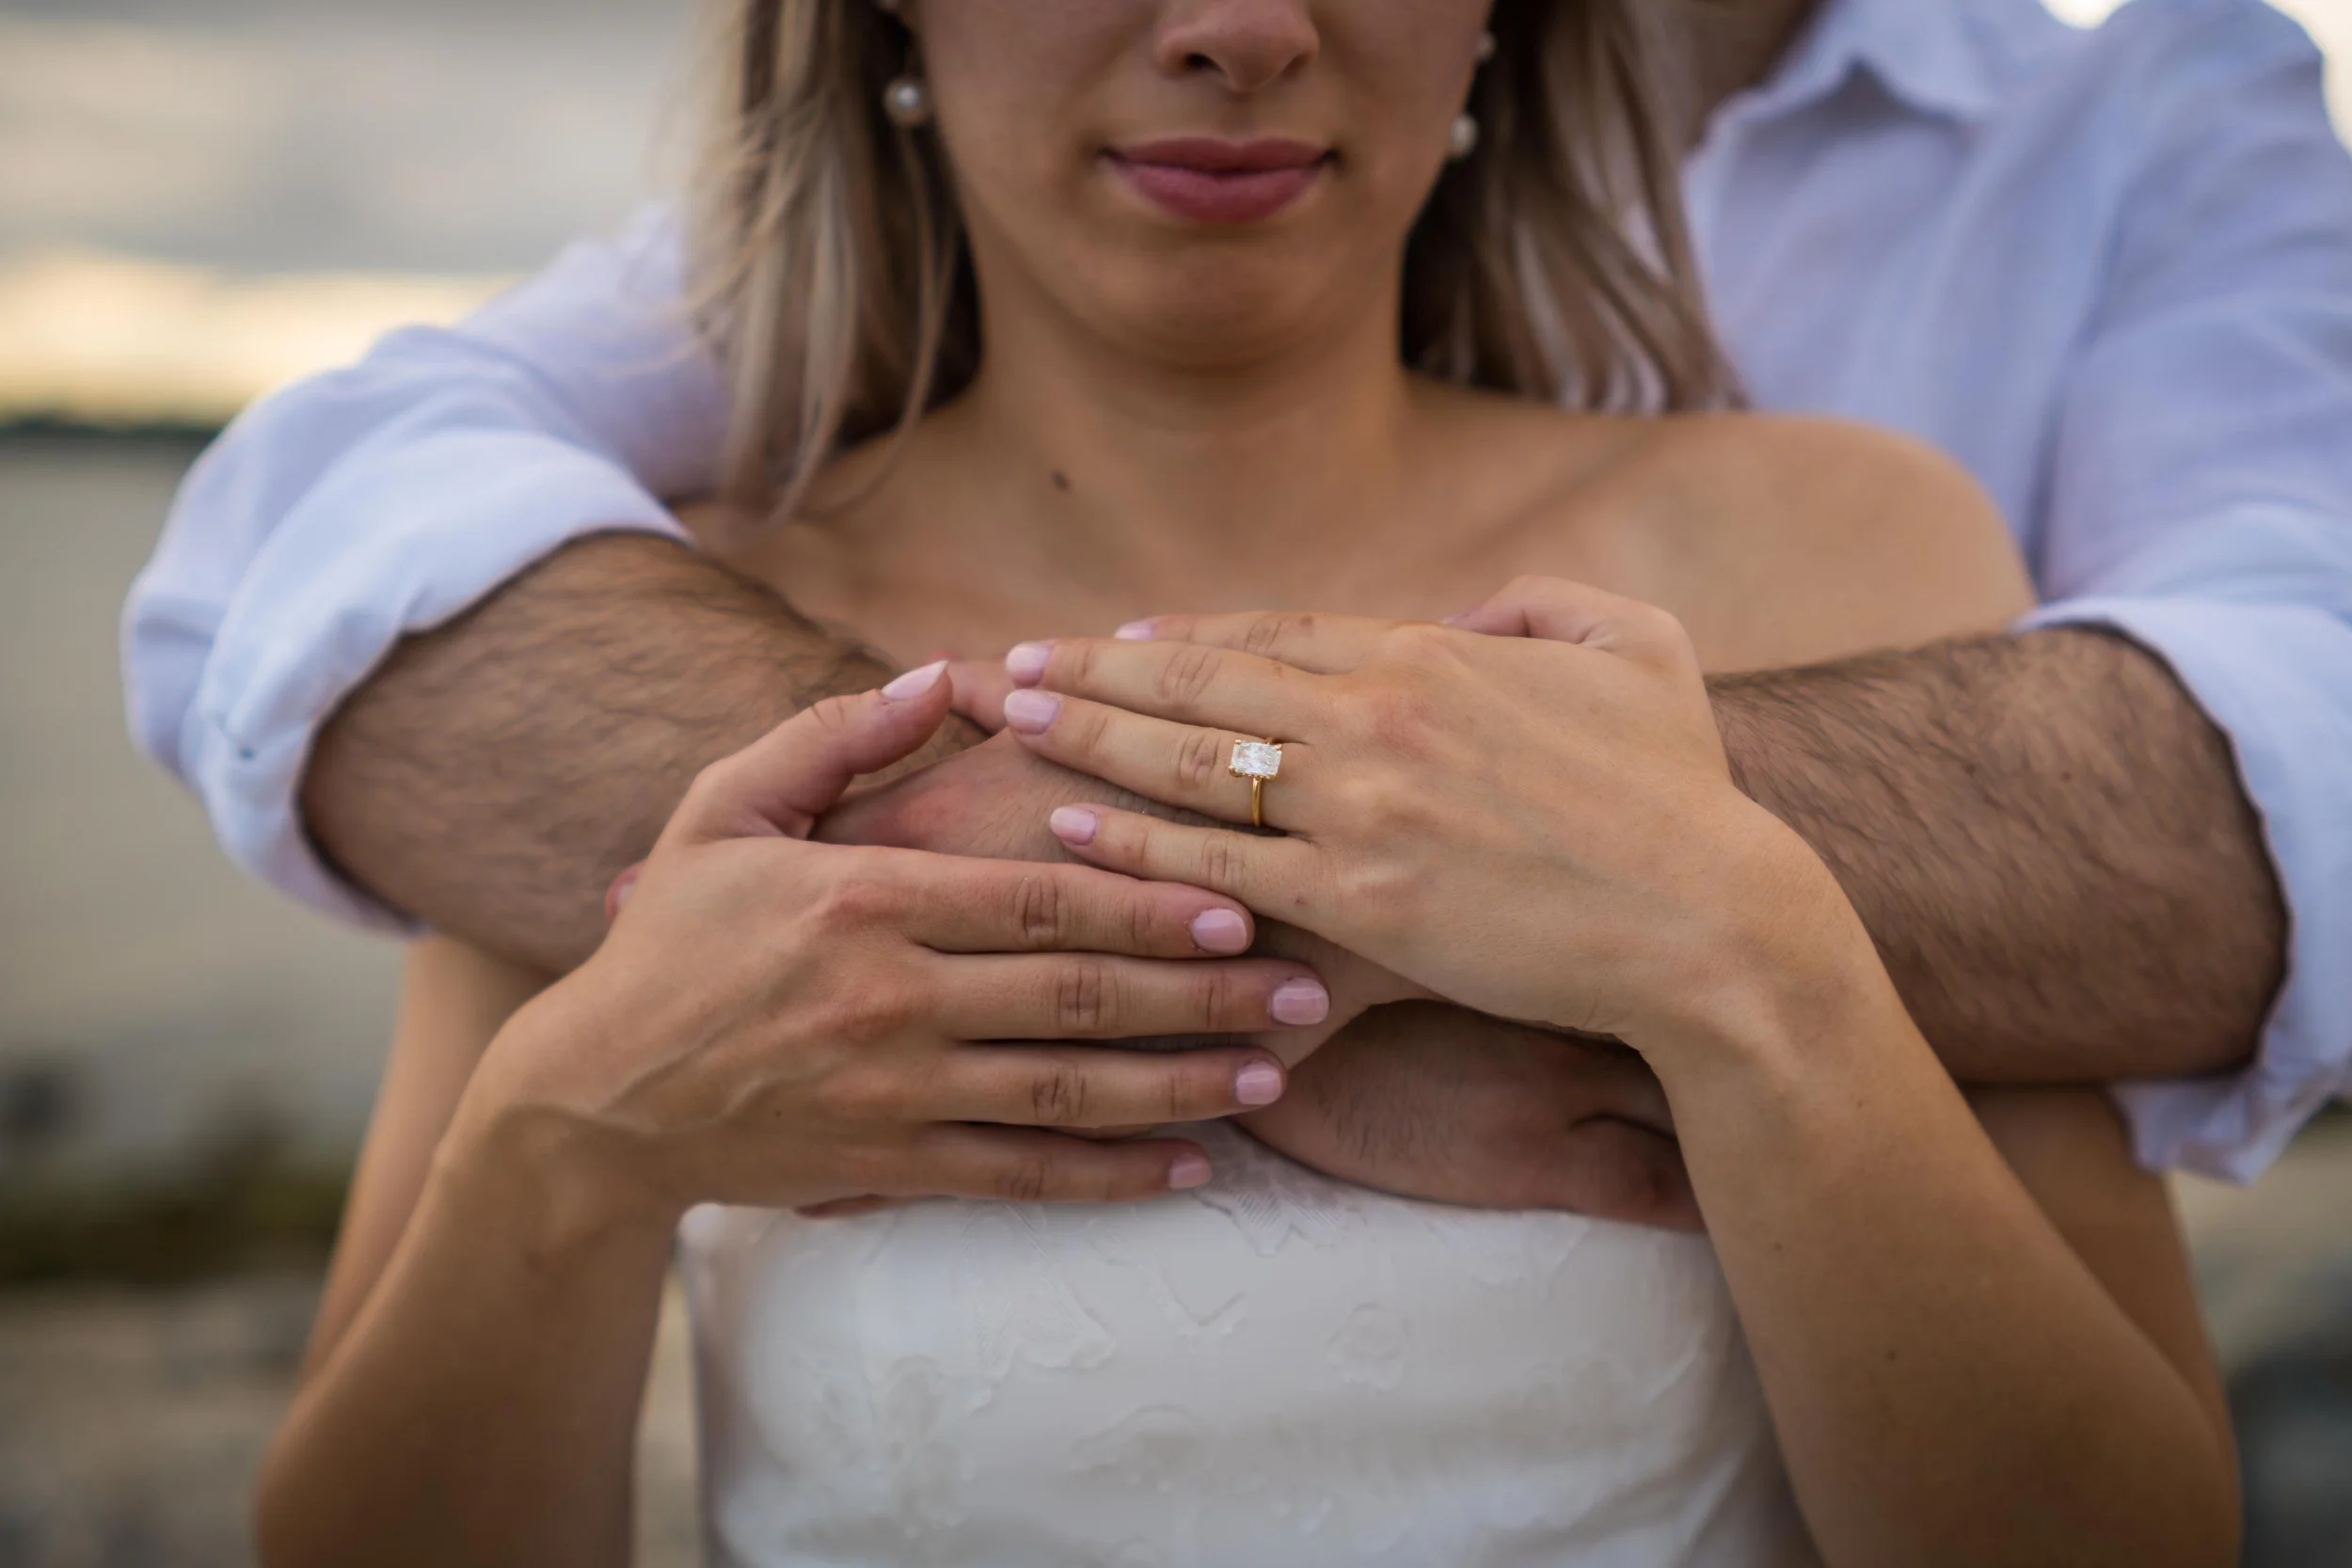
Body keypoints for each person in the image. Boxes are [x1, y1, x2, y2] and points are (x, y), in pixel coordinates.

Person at [218, 0, 2249, 1561]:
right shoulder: (637, 633)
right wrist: (574, 1140)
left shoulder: (1841, 553)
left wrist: (1752, 973)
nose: (1238, 25)